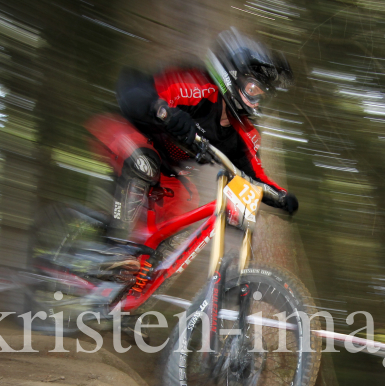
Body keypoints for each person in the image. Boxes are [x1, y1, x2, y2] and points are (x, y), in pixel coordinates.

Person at [91, 28, 298, 249]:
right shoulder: (196, 87)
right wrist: (164, 111)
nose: (256, 100)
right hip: (124, 133)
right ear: (233, 76)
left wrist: (282, 197)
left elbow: (255, 176)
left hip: (166, 171)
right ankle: (113, 248)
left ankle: (138, 269)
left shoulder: (244, 133)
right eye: (253, 88)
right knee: (144, 163)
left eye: (261, 94)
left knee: (179, 219)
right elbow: (133, 92)